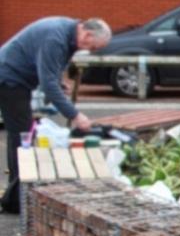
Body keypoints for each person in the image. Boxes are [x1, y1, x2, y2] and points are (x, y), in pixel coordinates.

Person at [0, 17, 111, 213]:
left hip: (16, 79)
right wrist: (75, 115)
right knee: (23, 137)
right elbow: (47, 84)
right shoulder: (56, 38)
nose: (89, 50)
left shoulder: (67, 34)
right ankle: (14, 201)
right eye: (92, 47)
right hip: (9, 79)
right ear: (86, 34)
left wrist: (58, 82)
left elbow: (48, 71)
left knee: (20, 135)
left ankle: (14, 195)